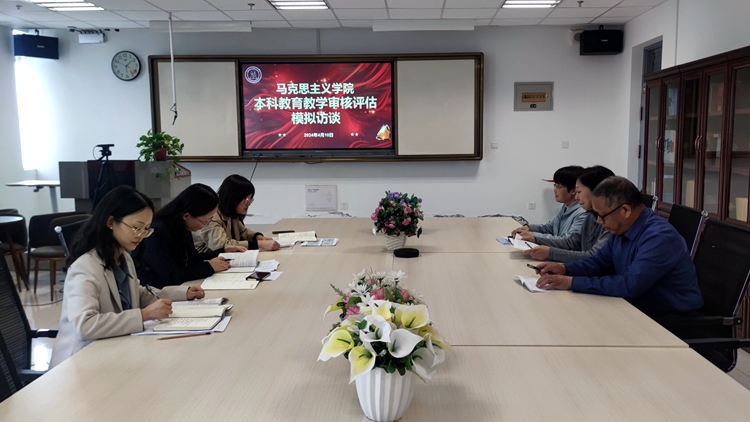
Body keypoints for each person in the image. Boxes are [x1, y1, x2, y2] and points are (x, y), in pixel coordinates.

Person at [50, 186, 205, 368]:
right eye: (136, 228)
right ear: (111, 222)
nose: (141, 236)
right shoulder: (85, 267)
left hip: (114, 349)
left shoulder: (123, 257)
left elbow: (138, 294)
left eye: (146, 229)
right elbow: (85, 325)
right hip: (80, 362)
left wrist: (183, 293)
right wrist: (143, 315)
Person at [534, 176, 704, 316]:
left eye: (602, 216)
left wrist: (572, 282)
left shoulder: (659, 238)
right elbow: (599, 262)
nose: (599, 222)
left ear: (625, 210)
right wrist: (564, 269)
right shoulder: (622, 228)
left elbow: (630, 285)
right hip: (635, 308)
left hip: (673, 320)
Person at [136, 183, 246, 289]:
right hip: (156, 294)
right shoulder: (155, 233)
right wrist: (209, 267)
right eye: (205, 222)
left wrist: (222, 251)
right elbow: (171, 276)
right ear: (186, 216)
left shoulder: (183, 226)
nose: (204, 226)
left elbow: (192, 258)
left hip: (178, 290)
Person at [525, 165, 614, 262]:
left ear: (597, 192)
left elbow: (594, 257)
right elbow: (572, 242)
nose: (576, 197)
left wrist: (551, 253)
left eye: (579, 192)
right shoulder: (590, 215)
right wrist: (535, 239)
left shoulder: (610, 222)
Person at [193, 174, 279, 253]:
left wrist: (257, 237)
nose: (248, 204)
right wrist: (259, 244)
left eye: (250, 200)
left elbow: (243, 232)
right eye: (246, 200)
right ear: (233, 197)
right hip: (206, 259)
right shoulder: (211, 215)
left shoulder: (230, 211)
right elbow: (222, 245)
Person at [511, 165, 586, 241]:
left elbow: (567, 241)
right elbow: (549, 228)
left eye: (559, 186)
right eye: (555, 185)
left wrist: (533, 236)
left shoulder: (583, 214)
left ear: (573, 190)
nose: (554, 190)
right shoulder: (562, 207)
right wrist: (528, 228)